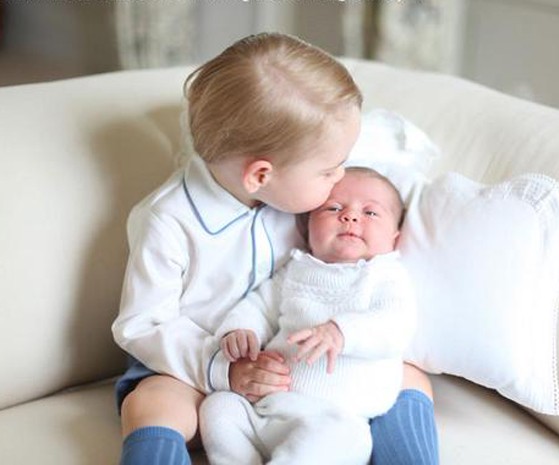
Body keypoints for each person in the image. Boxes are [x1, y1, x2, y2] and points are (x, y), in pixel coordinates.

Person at [112, 32, 438, 465]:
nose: (339, 177)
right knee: (152, 402)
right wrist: (223, 368)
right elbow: (141, 324)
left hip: (304, 367)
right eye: (329, 170)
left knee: (410, 376)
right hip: (196, 369)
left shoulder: (298, 193)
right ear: (260, 176)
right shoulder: (169, 221)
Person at [200, 167, 415, 465]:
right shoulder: (296, 270)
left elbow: (396, 326)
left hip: (335, 417)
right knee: (219, 407)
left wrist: (341, 332)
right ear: (307, 225)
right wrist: (240, 330)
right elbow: (259, 305)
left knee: (347, 439)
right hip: (267, 408)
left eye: (371, 213)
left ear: (395, 237)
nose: (350, 217)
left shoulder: (386, 276)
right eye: (334, 208)